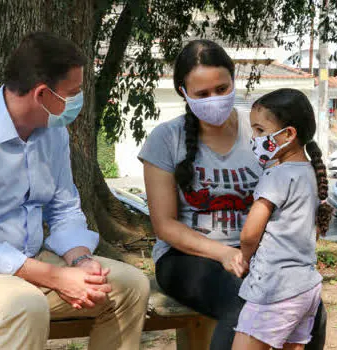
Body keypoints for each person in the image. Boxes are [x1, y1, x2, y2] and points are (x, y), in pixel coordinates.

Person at [0, 31, 150, 350]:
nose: (78, 100)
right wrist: (55, 277)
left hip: (28, 262)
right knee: (24, 307)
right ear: (42, 94)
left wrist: (80, 261)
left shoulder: (54, 133)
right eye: (73, 92)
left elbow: (63, 209)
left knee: (130, 286)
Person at [139, 39, 327, 349]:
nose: (214, 98)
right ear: (184, 94)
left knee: (311, 309)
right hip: (186, 258)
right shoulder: (166, 139)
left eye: (222, 88)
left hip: (258, 255)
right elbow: (165, 225)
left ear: (233, 81)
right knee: (242, 304)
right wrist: (225, 253)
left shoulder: (261, 131)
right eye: (202, 94)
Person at [230, 88, 333, 350]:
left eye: (260, 131)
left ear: (288, 134)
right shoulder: (312, 172)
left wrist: (244, 256)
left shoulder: (275, 176)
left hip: (274, 290)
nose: (254, 138)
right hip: (305, 290)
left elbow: (250, 233)